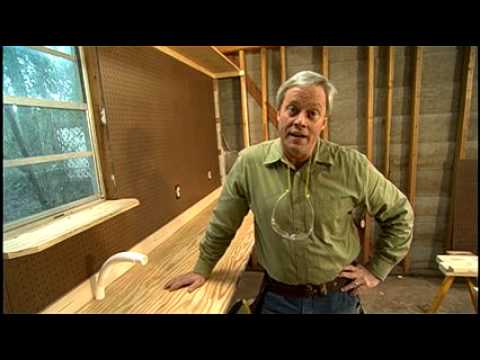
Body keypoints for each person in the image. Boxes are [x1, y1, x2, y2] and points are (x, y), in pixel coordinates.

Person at [164, 70, 414, 314]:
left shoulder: (351, 166)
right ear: (279, 114)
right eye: (292, 110)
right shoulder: (250, 164)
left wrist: (376, 269)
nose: (300, 121)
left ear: (323, 122)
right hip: (277, 299)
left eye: (312, 113)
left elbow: (399, 214)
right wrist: (202, 267)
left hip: (337, 299)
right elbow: (223, 223)